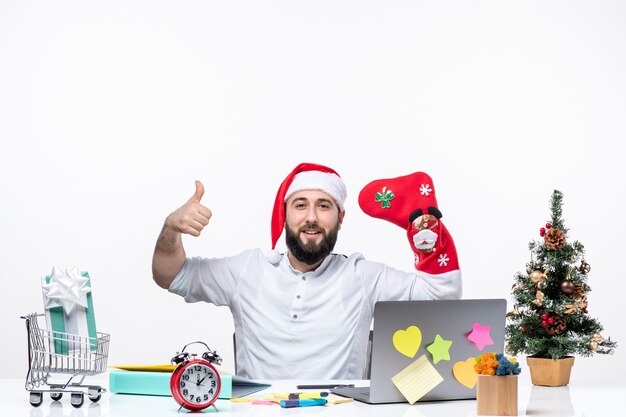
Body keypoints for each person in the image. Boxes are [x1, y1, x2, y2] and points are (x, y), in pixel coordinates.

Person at [152, 163, 462, 380]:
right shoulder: (248, 270)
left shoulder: (361, 276)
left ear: (340, 218)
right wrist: (171, 229)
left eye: (324, 206)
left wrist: (424, 231)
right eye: (300, 205)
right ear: (285, 215)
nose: (311, 217)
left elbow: (441, 293)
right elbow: (171, 275)